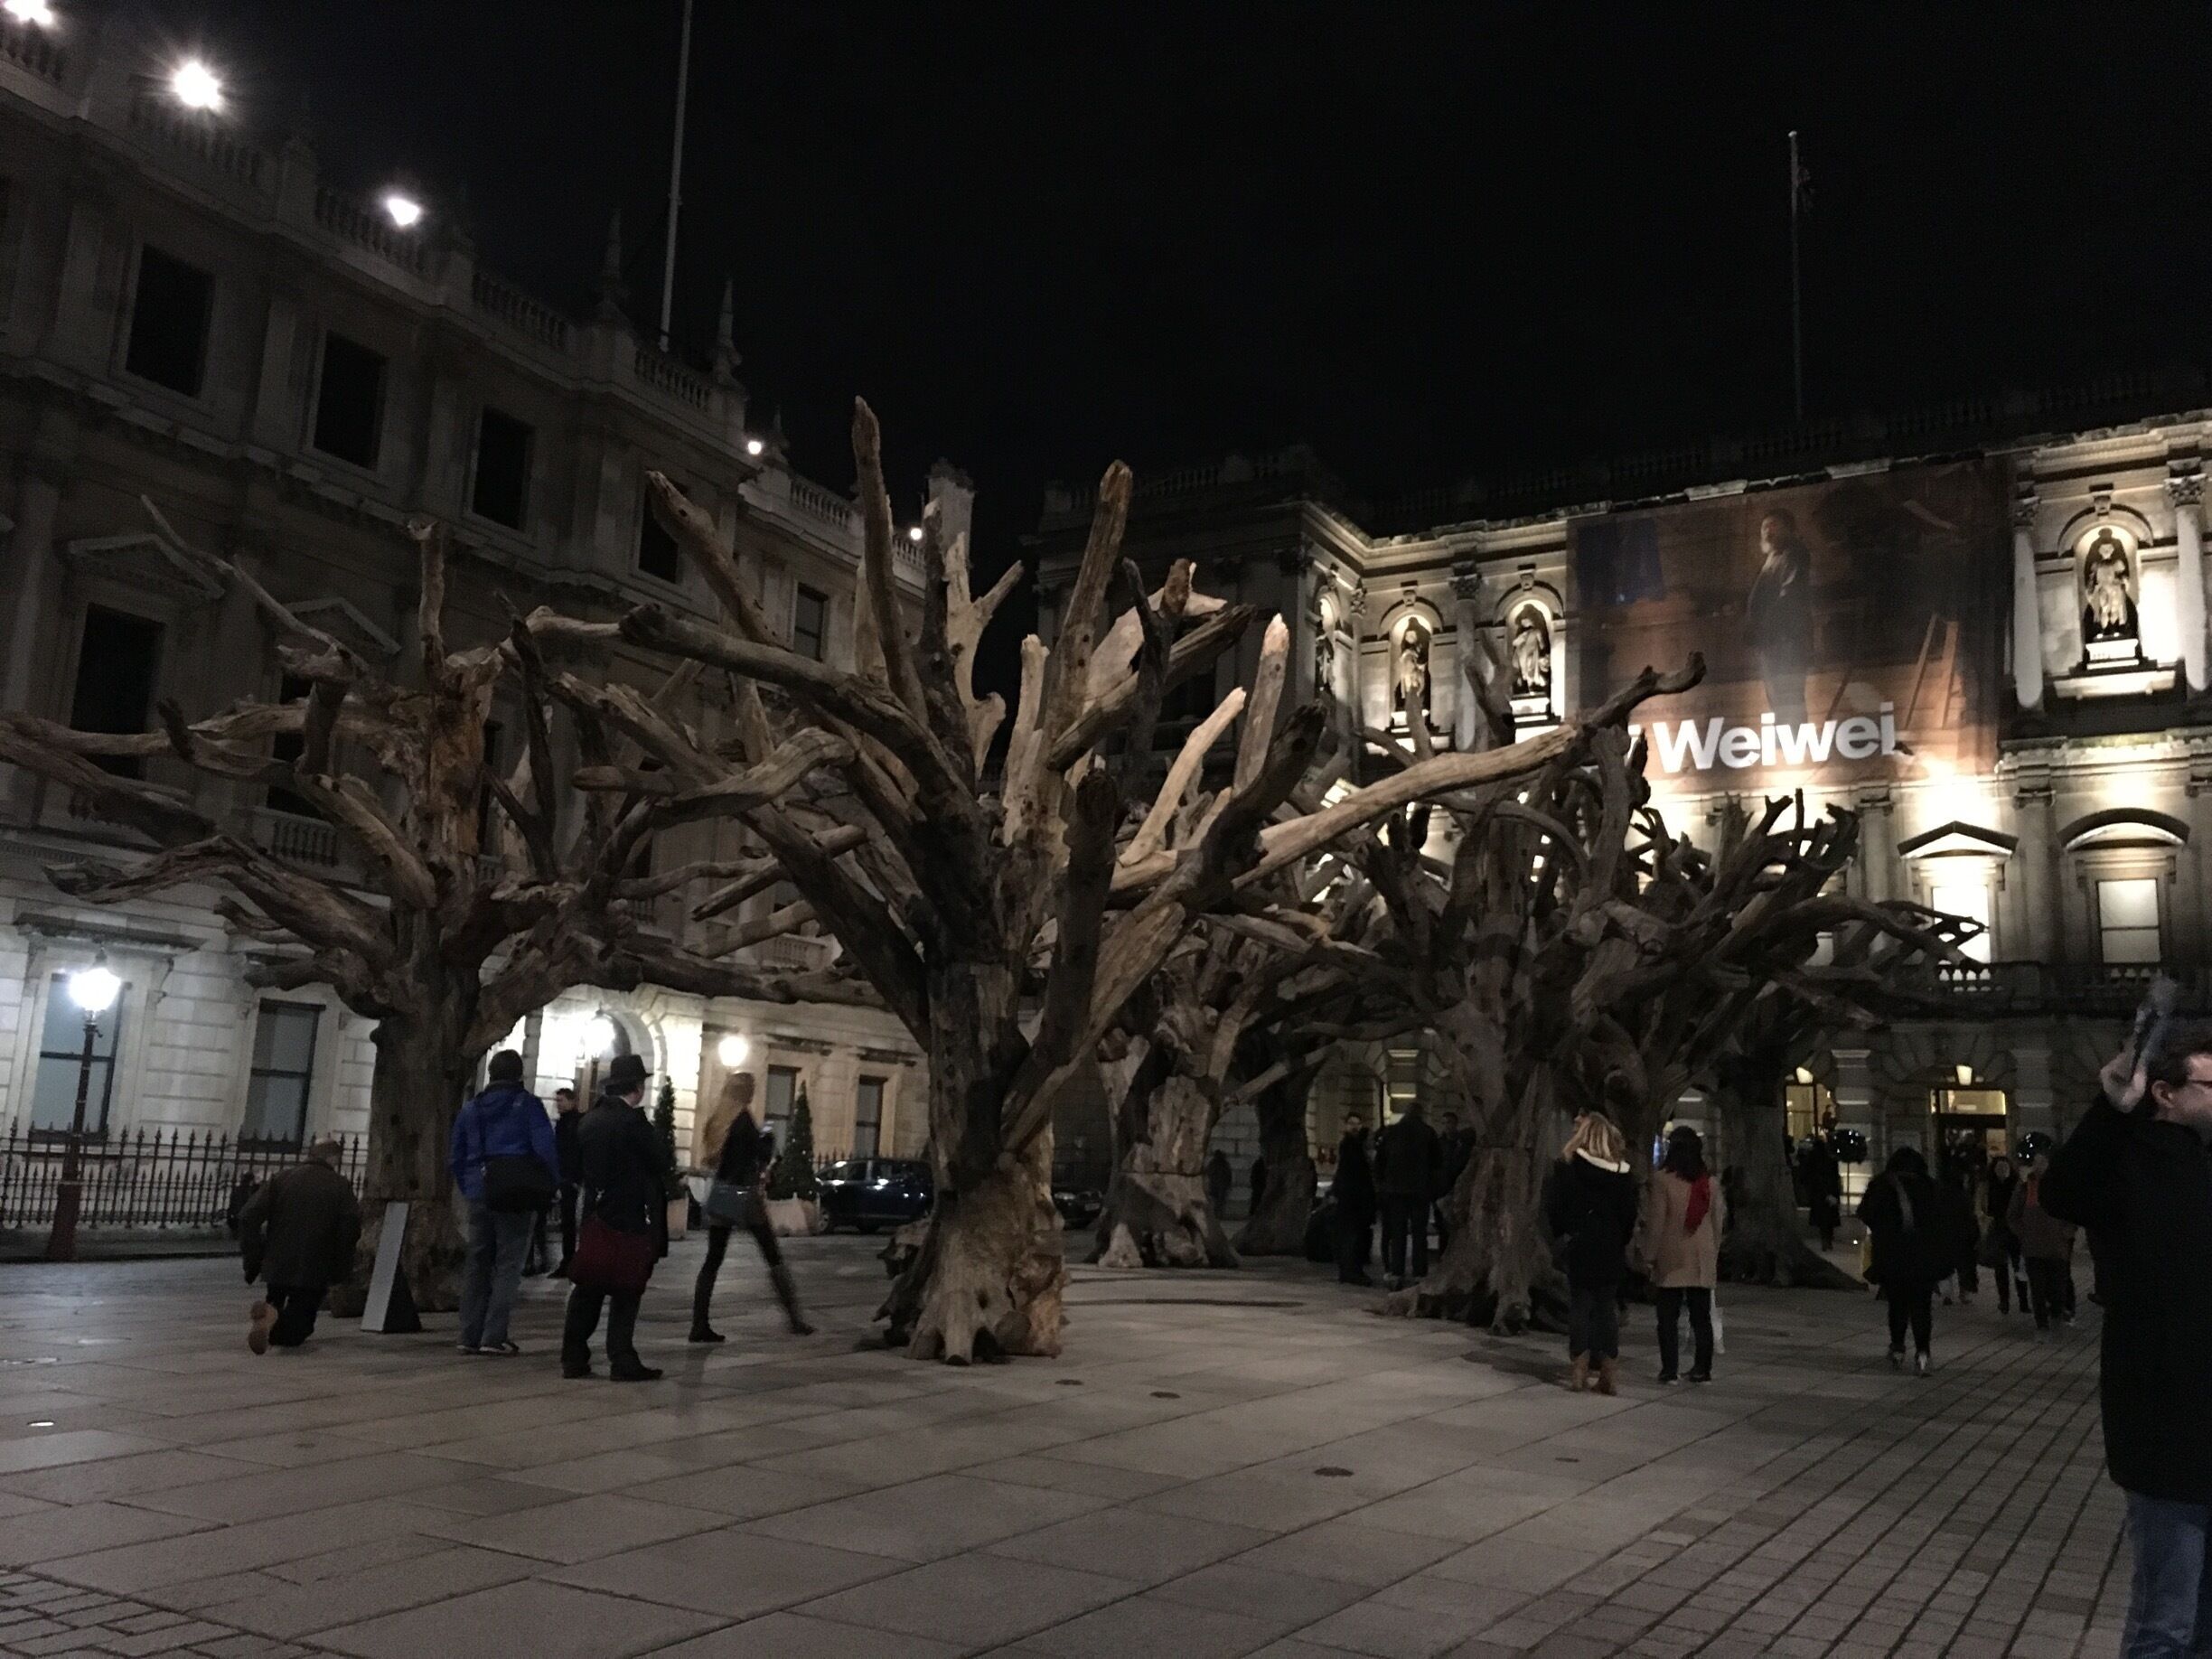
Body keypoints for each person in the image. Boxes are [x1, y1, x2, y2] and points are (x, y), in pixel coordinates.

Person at [2040, 1031, 2212, 1657]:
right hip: (2167, 1427)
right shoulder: (2127, 1162)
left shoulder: (2205, 1161)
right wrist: (2110, 1109)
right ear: (2166, 1094)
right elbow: (2063, 1192)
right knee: (2166, 1619)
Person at [561, 1054, 667, 1382]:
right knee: (626, 1289)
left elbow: (577, 1166)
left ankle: (574, 1356)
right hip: (628, 1215)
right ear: (637, 1088)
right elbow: (659, 1160)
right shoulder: (633, 1123)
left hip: (595, 1214)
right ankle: (622, 1357)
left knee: (588, 1287)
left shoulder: (589, 1121)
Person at [449, 1050, 559, 1357]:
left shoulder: (471, 1109)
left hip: (479, 1191)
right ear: (519, 1075)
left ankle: (468, 1334)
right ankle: (493, 1336)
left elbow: (456, 1155)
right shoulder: (527, 1106)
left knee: (478, 1263)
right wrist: (551, 1184)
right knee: (509, 1265)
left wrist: (469, 1185)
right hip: (515, 1192)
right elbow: (545, 1149)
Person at [691, 1073, 813, 1343]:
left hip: (722, 1193)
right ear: (745, 1091)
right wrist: (768, 1136)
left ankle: (698, 1323)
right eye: (753, 1088)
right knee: (772, 1254)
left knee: (713, 1260)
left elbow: (716, 1161)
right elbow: (761, 1154)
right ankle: (795, 1318)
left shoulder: (718, 1120)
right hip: (745, 1197)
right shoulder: (743, 1119)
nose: (755, 1092)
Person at [1544, 1112, 1637, 1395]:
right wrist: (1619, 1238)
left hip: (1581, 1243)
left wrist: (1566, 1232)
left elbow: (1555, 1209)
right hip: (1610, 1245)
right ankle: (1608, 1371)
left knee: (1580, 1305)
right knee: (1606, 1307)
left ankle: (1578, 1368)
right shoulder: (1623, 1174)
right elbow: (1628, 1216)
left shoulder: (1569, 1169)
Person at [239, 1138, 361, 1354]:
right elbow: (349, 1226)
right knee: (300, 1321)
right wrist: (342, 1264)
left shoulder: (281, 1179)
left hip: (277, 1258)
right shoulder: (339, 1185)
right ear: (333, 1158)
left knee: (276, 1295)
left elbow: (248, 1216)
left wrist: (254, 1257)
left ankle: (270, 1314)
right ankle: (275, 1327)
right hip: (316, 1259)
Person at [1641, 1126, 1724, 1384]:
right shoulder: (1710, 1183)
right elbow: (1718, 1223)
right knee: (1701, 1317)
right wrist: (1714, 1251)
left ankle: (1669, 1369)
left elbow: (1656, 1223)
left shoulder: (1663, 1180)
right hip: (1701, 1256)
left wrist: (1649, 1255)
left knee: (1668, 1316)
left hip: (1672, 1255)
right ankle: (1702, 1368)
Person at [1857, 1146, 1947, 1376]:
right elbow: (1943, 1219)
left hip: (1893, 1255)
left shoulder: (1882, 1184)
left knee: (1897, 1305)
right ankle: (1923, 1353)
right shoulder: (1931, 1186)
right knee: (1921, 1306)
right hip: (1924, 1257)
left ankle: (1897, 1347)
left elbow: (1865, 1213)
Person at [1371, 1102, 1441, 1291]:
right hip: (1419, 1190)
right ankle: (1419, 1272)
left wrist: (1382, 1185)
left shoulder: (1391, 1132)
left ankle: (1397, 1272)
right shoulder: (1428, 1133)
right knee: (1419, 1233)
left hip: (1395, 1191)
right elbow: (1437, 1163)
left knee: (1398, 1233)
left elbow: (1379, 1162)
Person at [2009, 1152, 2078, 1334]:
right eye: (2036, 1161)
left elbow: (2072, 1213)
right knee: (2037, 1289)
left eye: (2042, 1161)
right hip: (2033, 1247)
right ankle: (2042, 1324)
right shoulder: (2025, 1187)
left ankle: (2056, 1315)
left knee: (2058, 1289)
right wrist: (2023, 1233)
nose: (2038, 1165)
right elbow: (2013, 1215)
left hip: (2057, 1248)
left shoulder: (2060, 1186)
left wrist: (2066, 1233)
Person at [1332, 1111, 1377, 1287]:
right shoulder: (1350, 1145)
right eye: (1351, 1123)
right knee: (1351, 1236)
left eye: (1357, 1123)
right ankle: (1350, 1270)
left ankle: (1351, 1269)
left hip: (1355, 1199)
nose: (1355, 1127)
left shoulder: (1355, 1145)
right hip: (1352, 1199)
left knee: (1354, 1236)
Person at [1982, 1153, 2027, 1314]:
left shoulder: (2016, 1185)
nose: (2002, 1170)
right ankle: (2004, 1301)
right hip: (1999, 1229)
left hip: (2014, 1230)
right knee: (2000, 1268)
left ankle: (2023, 1301)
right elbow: (1985, 1208)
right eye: (1999, 1168)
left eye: (2005, 1167)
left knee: (2018, 1267)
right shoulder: (1990, 1186)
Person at [550, 1087, 582, 1279]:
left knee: (569, 1222)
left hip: (570, 1179)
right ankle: (568, 1259)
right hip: (565, 1177)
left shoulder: (573, 1124)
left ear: (571, 1101)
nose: (558, 1104)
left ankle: (570, 1260)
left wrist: (574, 1179)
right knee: (567, 1222)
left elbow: (574, 1153)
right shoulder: (564, 1123)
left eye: (561, 1101)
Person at [1800, 1132, 1843, 1253]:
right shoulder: (1830, 1158)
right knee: (1829, 1218)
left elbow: (1807, 1175)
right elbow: (1835, 1176)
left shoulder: (1812, 1158)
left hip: (1818, 1192)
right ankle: (1828, 1239)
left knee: (1822, 1219)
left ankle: (1825, 1239)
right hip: (1830, 1190)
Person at [1436, 1111, 1472, 1249]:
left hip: (1457, 1186)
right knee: (1443, 1227)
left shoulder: (1462, 1143)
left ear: (1456, 1124)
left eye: (1449, 1123)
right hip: (1443, 1187)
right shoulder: (1440, 1144)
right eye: (1444, 1123)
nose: (1447, 1126)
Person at [1204, 1148, 1233, 1217]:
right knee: (1220, 1200)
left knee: (1216, 1200)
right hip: (1220, 1185)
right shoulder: (1224, 1163)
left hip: (1216, 1184)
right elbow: (1229, 1174)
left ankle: (1217, 1213)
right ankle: (1219, 1213)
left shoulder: (1214, 1163)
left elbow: (1208, 1172)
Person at [1248, 1155, 1267, 1220]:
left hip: (1258, 1186)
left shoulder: (1258, 1165)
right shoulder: (1260, 1165)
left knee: (1256, 1200)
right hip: (1259, 1185)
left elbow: (1253, 1176)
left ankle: (1253, 1213)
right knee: (1257, 1200)